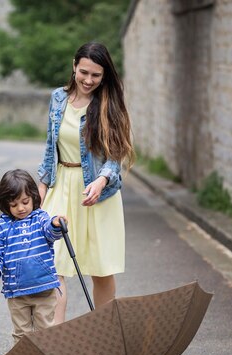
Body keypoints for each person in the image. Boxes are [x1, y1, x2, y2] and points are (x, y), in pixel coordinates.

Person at [37, 42, 134, 324]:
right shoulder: (58, 99)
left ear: (105, 76)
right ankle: (56, 336)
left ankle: (105, 333)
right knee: (52, 265)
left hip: (96, 193)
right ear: (74, 66)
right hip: (60, 187)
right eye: (84, 72)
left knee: (101, 270)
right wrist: (40, 188)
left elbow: (115, 156)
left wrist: (102, 181)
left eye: (96, 75)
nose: (89, 80)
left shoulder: (108, 105)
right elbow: (49, 149)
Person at [0, 169, 67, 355]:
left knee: (45, 330)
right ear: (5, 205)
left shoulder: (41, 218)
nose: (21, 208)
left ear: (33, 197)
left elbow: (50, 232)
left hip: (44, 289)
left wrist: (57, 225)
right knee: (21, 333)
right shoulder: (0, 228)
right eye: (14, 204)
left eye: (25, 201)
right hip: (16, 292)